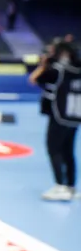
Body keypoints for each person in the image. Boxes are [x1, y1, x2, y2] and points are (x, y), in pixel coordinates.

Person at [30, 38, 80, 201]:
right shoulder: (78, 69)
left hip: (59, 114)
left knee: (54, 149)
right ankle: (71, 186)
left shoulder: (58, 71)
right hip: (75, 116)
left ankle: (60, 186)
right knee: (68, 150)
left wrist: (44, 64)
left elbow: (34, 79)